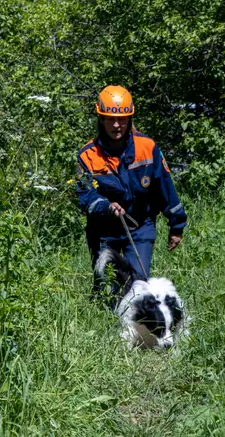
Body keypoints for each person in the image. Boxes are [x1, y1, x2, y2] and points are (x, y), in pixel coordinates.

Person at [75, 85, 187, 297]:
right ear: (100, 118)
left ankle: (132, 328)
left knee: (138, 286)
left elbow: (165, 187)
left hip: (139, 226)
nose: (117, 125)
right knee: (107, 287)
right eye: (110, 119)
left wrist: (176, 225)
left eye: (123, 119)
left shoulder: (148, 147)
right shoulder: (87, 155)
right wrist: (106, 207)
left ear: (130, 117)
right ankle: (107, 325)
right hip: (103, 230)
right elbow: (85, 195)